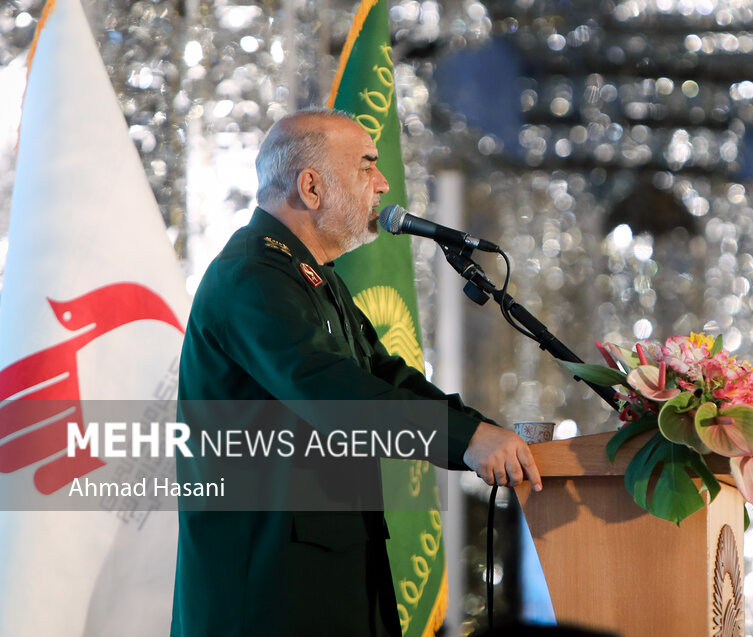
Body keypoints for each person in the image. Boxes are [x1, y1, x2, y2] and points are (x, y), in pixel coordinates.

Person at [171, 109, 541, 637]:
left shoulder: (311, 275)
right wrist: (466, 439)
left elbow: (386, 375)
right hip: (266, 592)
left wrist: (478, 434)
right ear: (312, 186)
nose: (384, 183)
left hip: (322, 578)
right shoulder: (253, 275)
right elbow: (330, 391)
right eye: (367, 165)